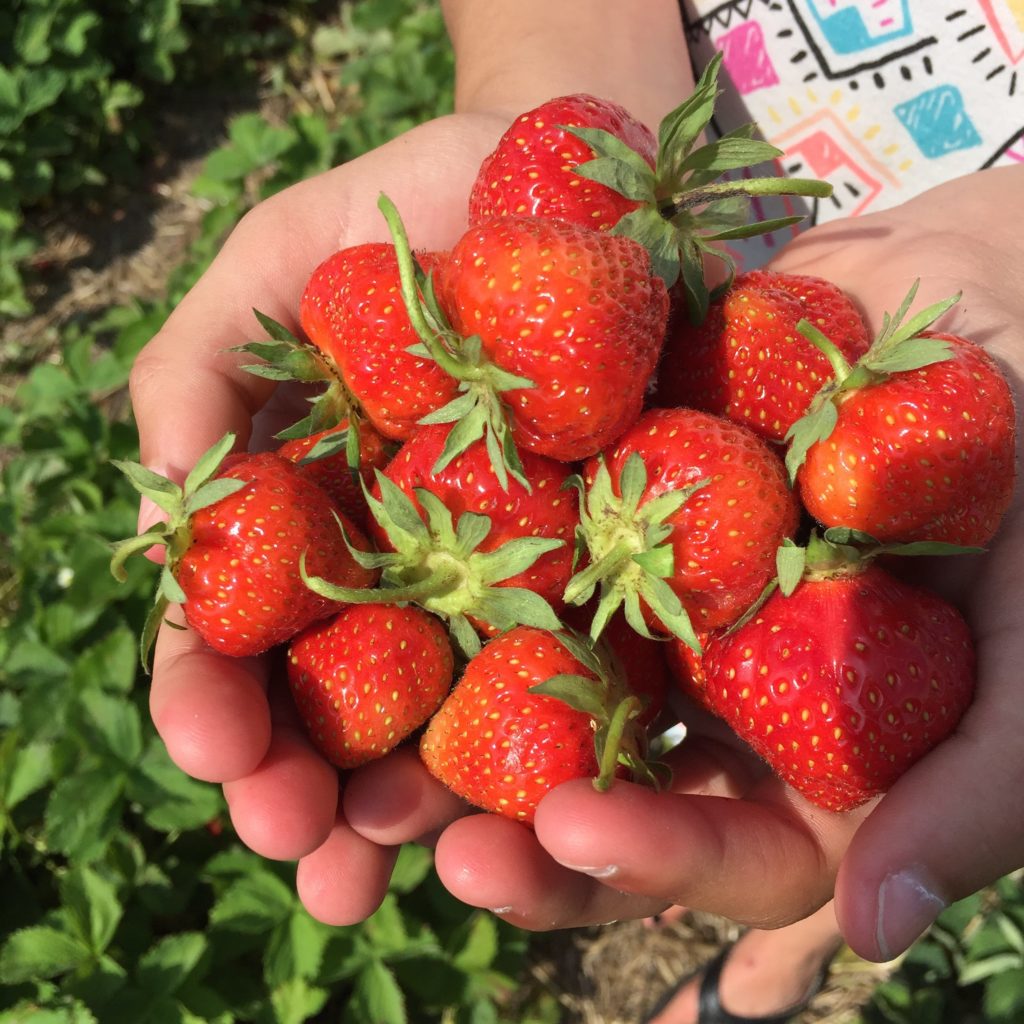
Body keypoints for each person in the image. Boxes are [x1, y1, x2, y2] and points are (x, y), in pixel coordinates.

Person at [129, 1, 1024, 1021]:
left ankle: (791, 951)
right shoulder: (557, 352)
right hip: (682, 200)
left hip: (797, 282)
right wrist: (547, 94)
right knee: (849, 787)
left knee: (869, 808)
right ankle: (794, 944)